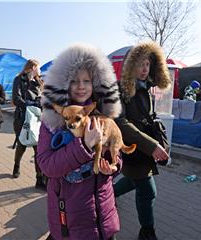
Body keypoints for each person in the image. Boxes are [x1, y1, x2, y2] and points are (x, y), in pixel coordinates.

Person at [37, 44, 122, 239]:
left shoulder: (104, 116)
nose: (81, 86)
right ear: (64, 83)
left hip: (104, 215)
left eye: (87, 80)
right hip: (71, 219)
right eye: (74, 81)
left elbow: (118, 154)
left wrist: (112, 166)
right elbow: (47, 166)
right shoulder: (52, 122)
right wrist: (83, 146)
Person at [113, 41, 171, 240]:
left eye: (147, 64)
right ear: (130, 66)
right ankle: (147, 232)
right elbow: (121, 123)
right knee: (147, 191)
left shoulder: (146, 87)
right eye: (140, 64)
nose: (144, 69)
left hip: (144, 148)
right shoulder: (120, 90)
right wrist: (151, 145)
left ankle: (107, 195)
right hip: (133, 148)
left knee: (132, 180)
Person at [11, 59, 46, 189]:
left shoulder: (39, 81)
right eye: (39, 68)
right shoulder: (18, 79)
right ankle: (16, 164)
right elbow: (16, 99)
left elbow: (43, 97)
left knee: (38, 148)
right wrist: (31, 104)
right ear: (32, 67)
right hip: (22, 118)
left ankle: (39, 179)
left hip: (37, 118)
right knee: (22, 144)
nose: (40, 70)